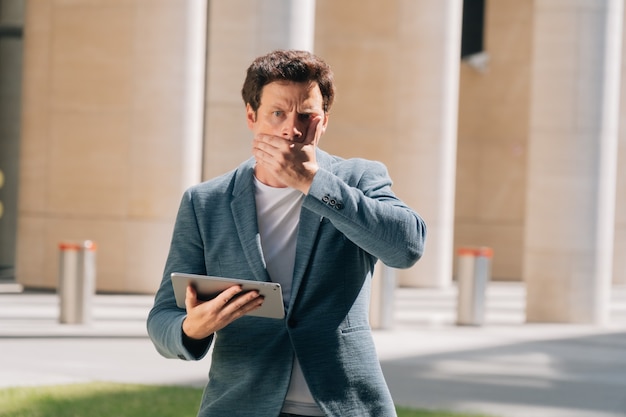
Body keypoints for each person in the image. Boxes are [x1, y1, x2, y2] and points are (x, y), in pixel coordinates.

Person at [147, 49, 427, 417]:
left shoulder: (358, 179)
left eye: (306, 115)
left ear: (323, 121)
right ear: (251, 116)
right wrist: (190, 328)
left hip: (344, 405)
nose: (291, 129)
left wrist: (313, 183)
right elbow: (163, 316)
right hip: (241, 404)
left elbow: (407, 247)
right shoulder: (206, 202)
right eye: (277, 113)